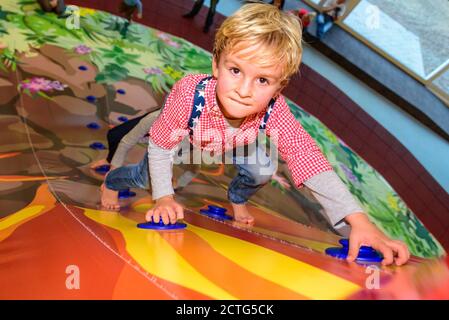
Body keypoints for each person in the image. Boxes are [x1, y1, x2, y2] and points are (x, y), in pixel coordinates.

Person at [104, 3, 410, 266]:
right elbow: (159, 146)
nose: (244, 91)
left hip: (236, 141)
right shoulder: (189, 93)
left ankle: (237, 197)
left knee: (263, 167)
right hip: (190, 140)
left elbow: (307, 157)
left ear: (280, 88)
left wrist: (360, 221)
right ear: (216, 64)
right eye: (235, 71)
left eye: (263, 80)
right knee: (144, 178)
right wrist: (164, 198)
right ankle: (111, 180)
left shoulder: (274, 109)